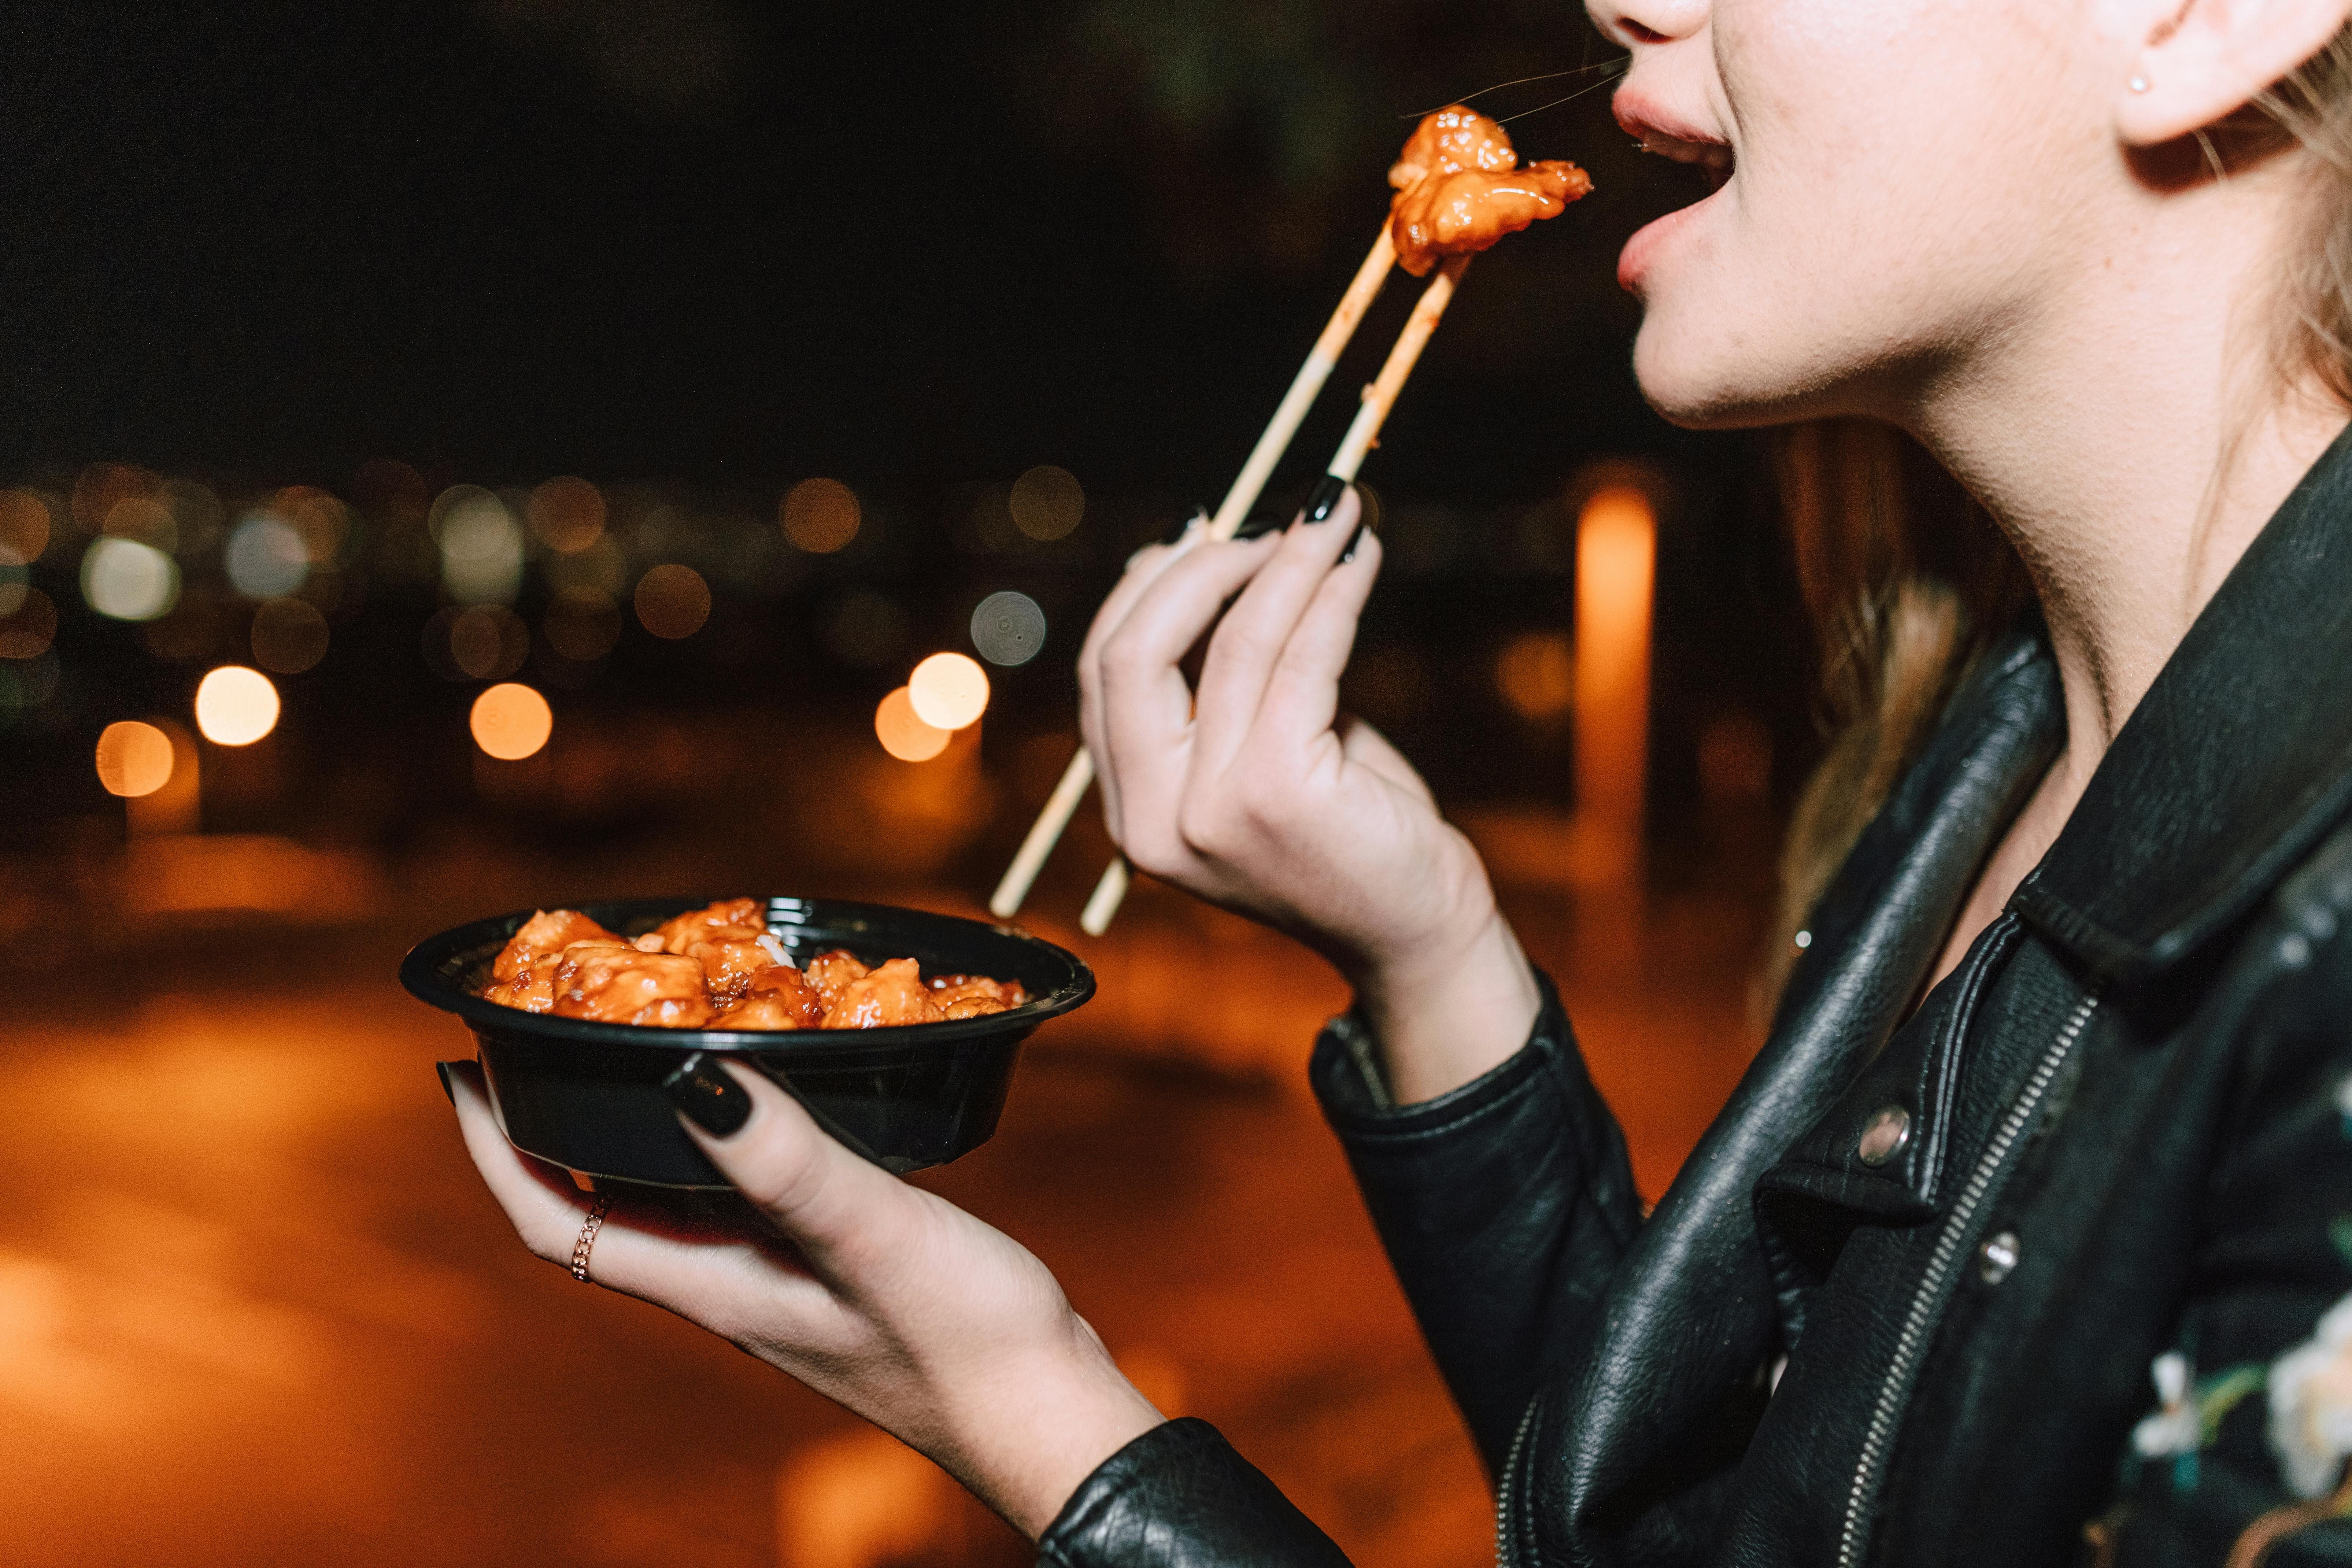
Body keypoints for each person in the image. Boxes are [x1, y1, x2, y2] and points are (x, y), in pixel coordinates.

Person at [441, 0, 2352, 1558]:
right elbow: (1705, 1534)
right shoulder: (1987, 760)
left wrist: (1041, 1421)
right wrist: (1430, 954)